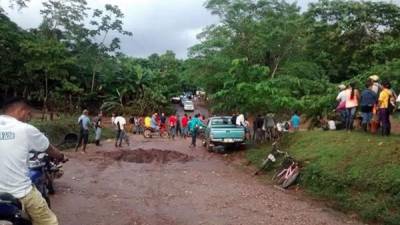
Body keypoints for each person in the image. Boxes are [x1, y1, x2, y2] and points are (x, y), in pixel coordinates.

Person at [0, 98, 64, 225]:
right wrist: (60, 156)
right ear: (22, 111)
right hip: (20, 193)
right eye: (28, 115)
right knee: (50, 222)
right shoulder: (25, 129)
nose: (28, 118)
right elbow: (49, 149)